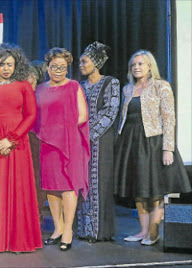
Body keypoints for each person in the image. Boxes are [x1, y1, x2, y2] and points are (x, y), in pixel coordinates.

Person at [114, 50, 191, 246]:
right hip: (131, 142)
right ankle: (142, 231)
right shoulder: (127, 89)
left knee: (155, 189)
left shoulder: (161, 87)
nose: (137, 67)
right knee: (138, 188)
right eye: (134, 65)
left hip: (152, 142)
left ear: (150, 66)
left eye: (141, 64)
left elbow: (169, 118)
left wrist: (168, 148)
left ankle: (153, 232)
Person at [0, 44, 42, 253]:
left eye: (10, 64)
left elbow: (31, 115)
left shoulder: (23, 86)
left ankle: (19, 241)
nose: (6, 68)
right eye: (2, 64)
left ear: (16, 65)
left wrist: (11, 140)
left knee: (18, 189)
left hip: (17, 144)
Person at [32, 47, 90, 251]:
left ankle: (68, 231)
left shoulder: (74, 86)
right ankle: (57, 228)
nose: (58, 70)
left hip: (67, 142)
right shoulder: (39, 89)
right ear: (47, 67)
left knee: (67, 186)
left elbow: (82, 116)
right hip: (47, 144)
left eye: (63, 67)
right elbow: (34, 116)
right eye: (54, 66)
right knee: (51, 186)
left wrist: (60, 129)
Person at [76, 41, 120, 242]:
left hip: (101, 140)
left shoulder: (111, 83)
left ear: (96, 62)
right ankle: (84, 229)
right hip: (79, 141)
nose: (81, 65)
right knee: (82, 182)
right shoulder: (80, 86)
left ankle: (99, 231)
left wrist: (89, 134)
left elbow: (110, 111)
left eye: (84, 61)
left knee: (99, 182)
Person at [27, 60, 47, 223]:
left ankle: (37, 213)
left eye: (30, 74)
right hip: (23, 138)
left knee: (38, 177)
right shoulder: (21, 92)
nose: (27, 77)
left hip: (39, 139)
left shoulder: (42, 93)